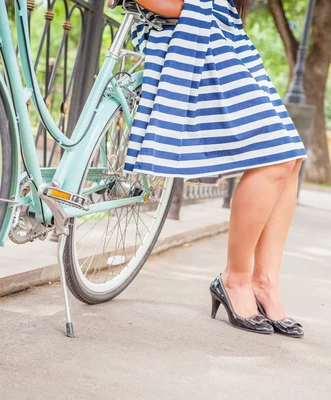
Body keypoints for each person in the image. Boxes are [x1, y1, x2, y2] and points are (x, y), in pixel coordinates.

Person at [124, 0, 306, 337]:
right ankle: (235, 278)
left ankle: (264, 283)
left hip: (225, 36)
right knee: (275, 157)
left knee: (290, 156)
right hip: (191, 34)